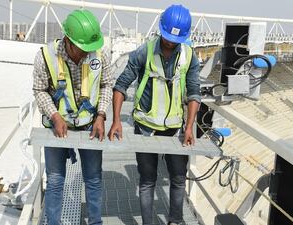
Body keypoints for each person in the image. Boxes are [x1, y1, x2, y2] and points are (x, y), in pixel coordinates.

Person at [108, 4, 201, 225]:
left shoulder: (189, 56)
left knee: (178, 178)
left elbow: (194, 92)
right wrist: (116, 121)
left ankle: (175, 221)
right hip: (146, 128)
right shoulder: (144, 52)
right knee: (148, 180)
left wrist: (188, 127)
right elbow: (121, 85)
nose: (170, 42)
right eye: (167, 37)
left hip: (174, 129)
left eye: (175, 39)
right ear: (161, 30)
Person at [32, 9, 112, 225]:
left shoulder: (99, 54)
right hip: (57, 126)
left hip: (89, 125)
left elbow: (106, 84)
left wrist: (101, 115)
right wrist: (54, 115)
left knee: (94, 179)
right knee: (56, 180)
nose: (87, 53)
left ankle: (95, 222)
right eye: (81, 49)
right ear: (68, 40)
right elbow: (40, 90)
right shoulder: (46, 56)